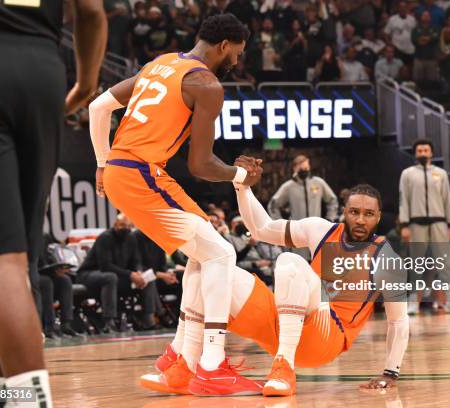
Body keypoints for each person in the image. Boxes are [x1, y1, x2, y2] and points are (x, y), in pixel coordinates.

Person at [88, 14, 264, 395]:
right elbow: (200, 165)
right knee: (221, 254)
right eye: (238, 51)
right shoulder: (206, 84)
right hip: (141, 173)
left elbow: (98, 108)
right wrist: (239, 176)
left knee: (205, 255)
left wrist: (102, 164)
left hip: (128, 169)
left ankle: (180, 359)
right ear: (224, 46)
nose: (237, 59)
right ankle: (211, 365)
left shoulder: (162, 63)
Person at [0, 0, 106, 405]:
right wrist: (85, 87)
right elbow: (92, 12)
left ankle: (32, 401)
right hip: (43, 72)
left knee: (1, 261)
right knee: (16, 263)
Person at [142, 183, 409, 397]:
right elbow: (262, 229)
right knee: (205, 263)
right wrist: (242, 187)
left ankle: (284, 368)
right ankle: (186, 366)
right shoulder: (321, 230)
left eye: (369, 214)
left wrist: (390, 373)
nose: (360, 219)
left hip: (327, 336)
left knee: (289, 261)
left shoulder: (386, 258)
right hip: (282, 325)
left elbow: (398, 321)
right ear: (344, 211)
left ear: (378, 217)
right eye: (355, 212)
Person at [398, 139, 450, 314]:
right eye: (420, 150)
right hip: (415, 222)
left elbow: (447, 200)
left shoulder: (441, 174)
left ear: (431, 153)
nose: (423, 153)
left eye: (426, 150)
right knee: (416, 263)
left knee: (445, 262)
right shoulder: (407, 174)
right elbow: (403, 200)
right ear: (416, 154)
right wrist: (405, 224)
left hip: (439, 222)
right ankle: (413, 302)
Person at [77, 214, 161, 331]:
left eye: (128, 226)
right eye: (122, 225)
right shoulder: (105, 237)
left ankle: (148, 318)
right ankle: (109, 322)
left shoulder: (131, 238)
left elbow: (136, 261)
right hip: (89, 274)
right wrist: (130, 275)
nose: (125, 228)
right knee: (110, 277)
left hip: (117, 276)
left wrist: (138, 273)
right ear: (115, 225)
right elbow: (105, 266)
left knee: (147, 278)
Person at [268, 155, 338, 260]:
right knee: (299, 267)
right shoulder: (289, 186)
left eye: (306, 168)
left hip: (317, 232)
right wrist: (282, 225)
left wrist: (329, 219)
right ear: (295, 168)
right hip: (297, 234)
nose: (304, 170)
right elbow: (273, 205)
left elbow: (332, 200)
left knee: (319, 267)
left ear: (309, 167)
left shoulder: (318, 183)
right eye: (301, 168)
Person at [383, 1, 416, 66]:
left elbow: (415, 33)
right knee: (399, 70)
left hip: (410, 49)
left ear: (407, 8)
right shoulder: (392, 19)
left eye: (404, 7)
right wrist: (389, 43)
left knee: (409, 70)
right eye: (401, 7)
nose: (403, 9)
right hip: (397, 50)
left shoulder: (412, 19)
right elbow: (385, 33)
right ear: (398, 8)